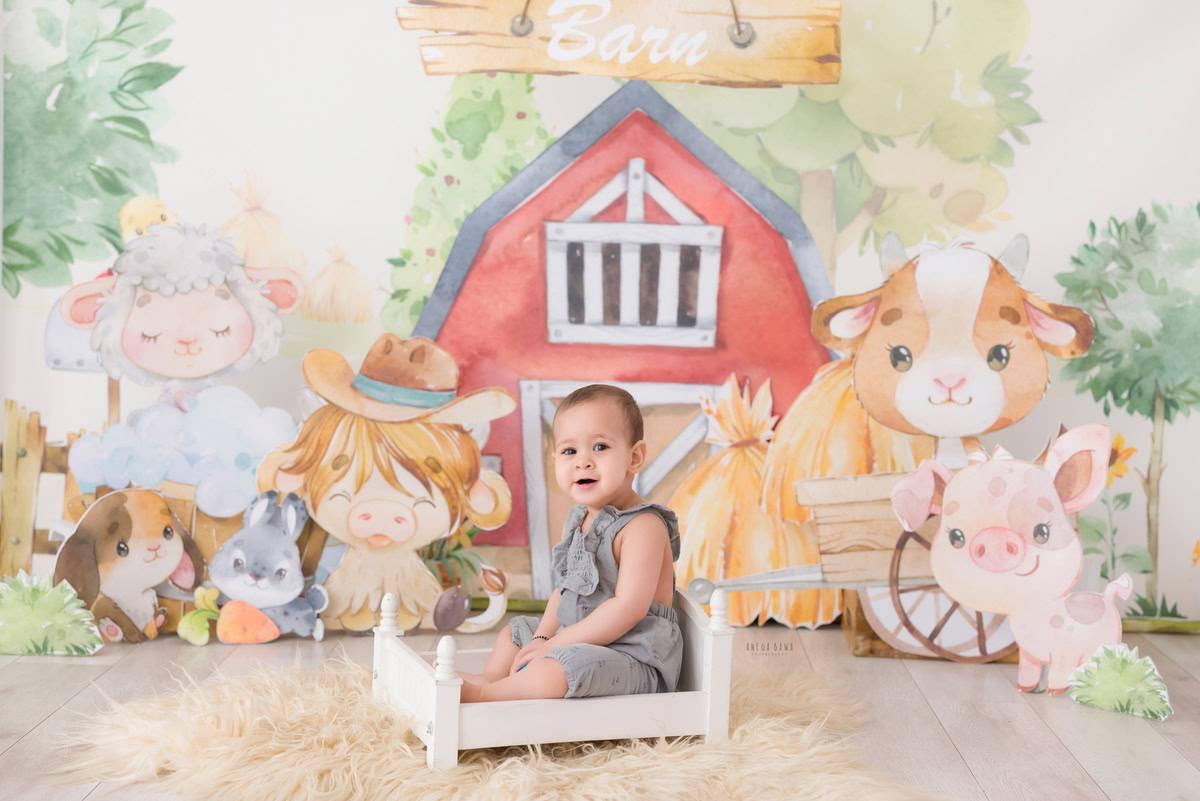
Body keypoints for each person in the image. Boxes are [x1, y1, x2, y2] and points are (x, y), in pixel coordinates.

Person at [455, 384, 683, 703]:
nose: (583, 462)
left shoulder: (644, 526)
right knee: (516, 632)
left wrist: (553, 647)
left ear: (634, 457)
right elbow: (565, 590)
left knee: (560, 668)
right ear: (556, 460)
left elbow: (627, 608)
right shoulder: (579, 521)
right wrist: (542, 638)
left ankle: (485, 696)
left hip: (633, 659)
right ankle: (494, 679)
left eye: (600, 447)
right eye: (569, 451)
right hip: (583, 643)